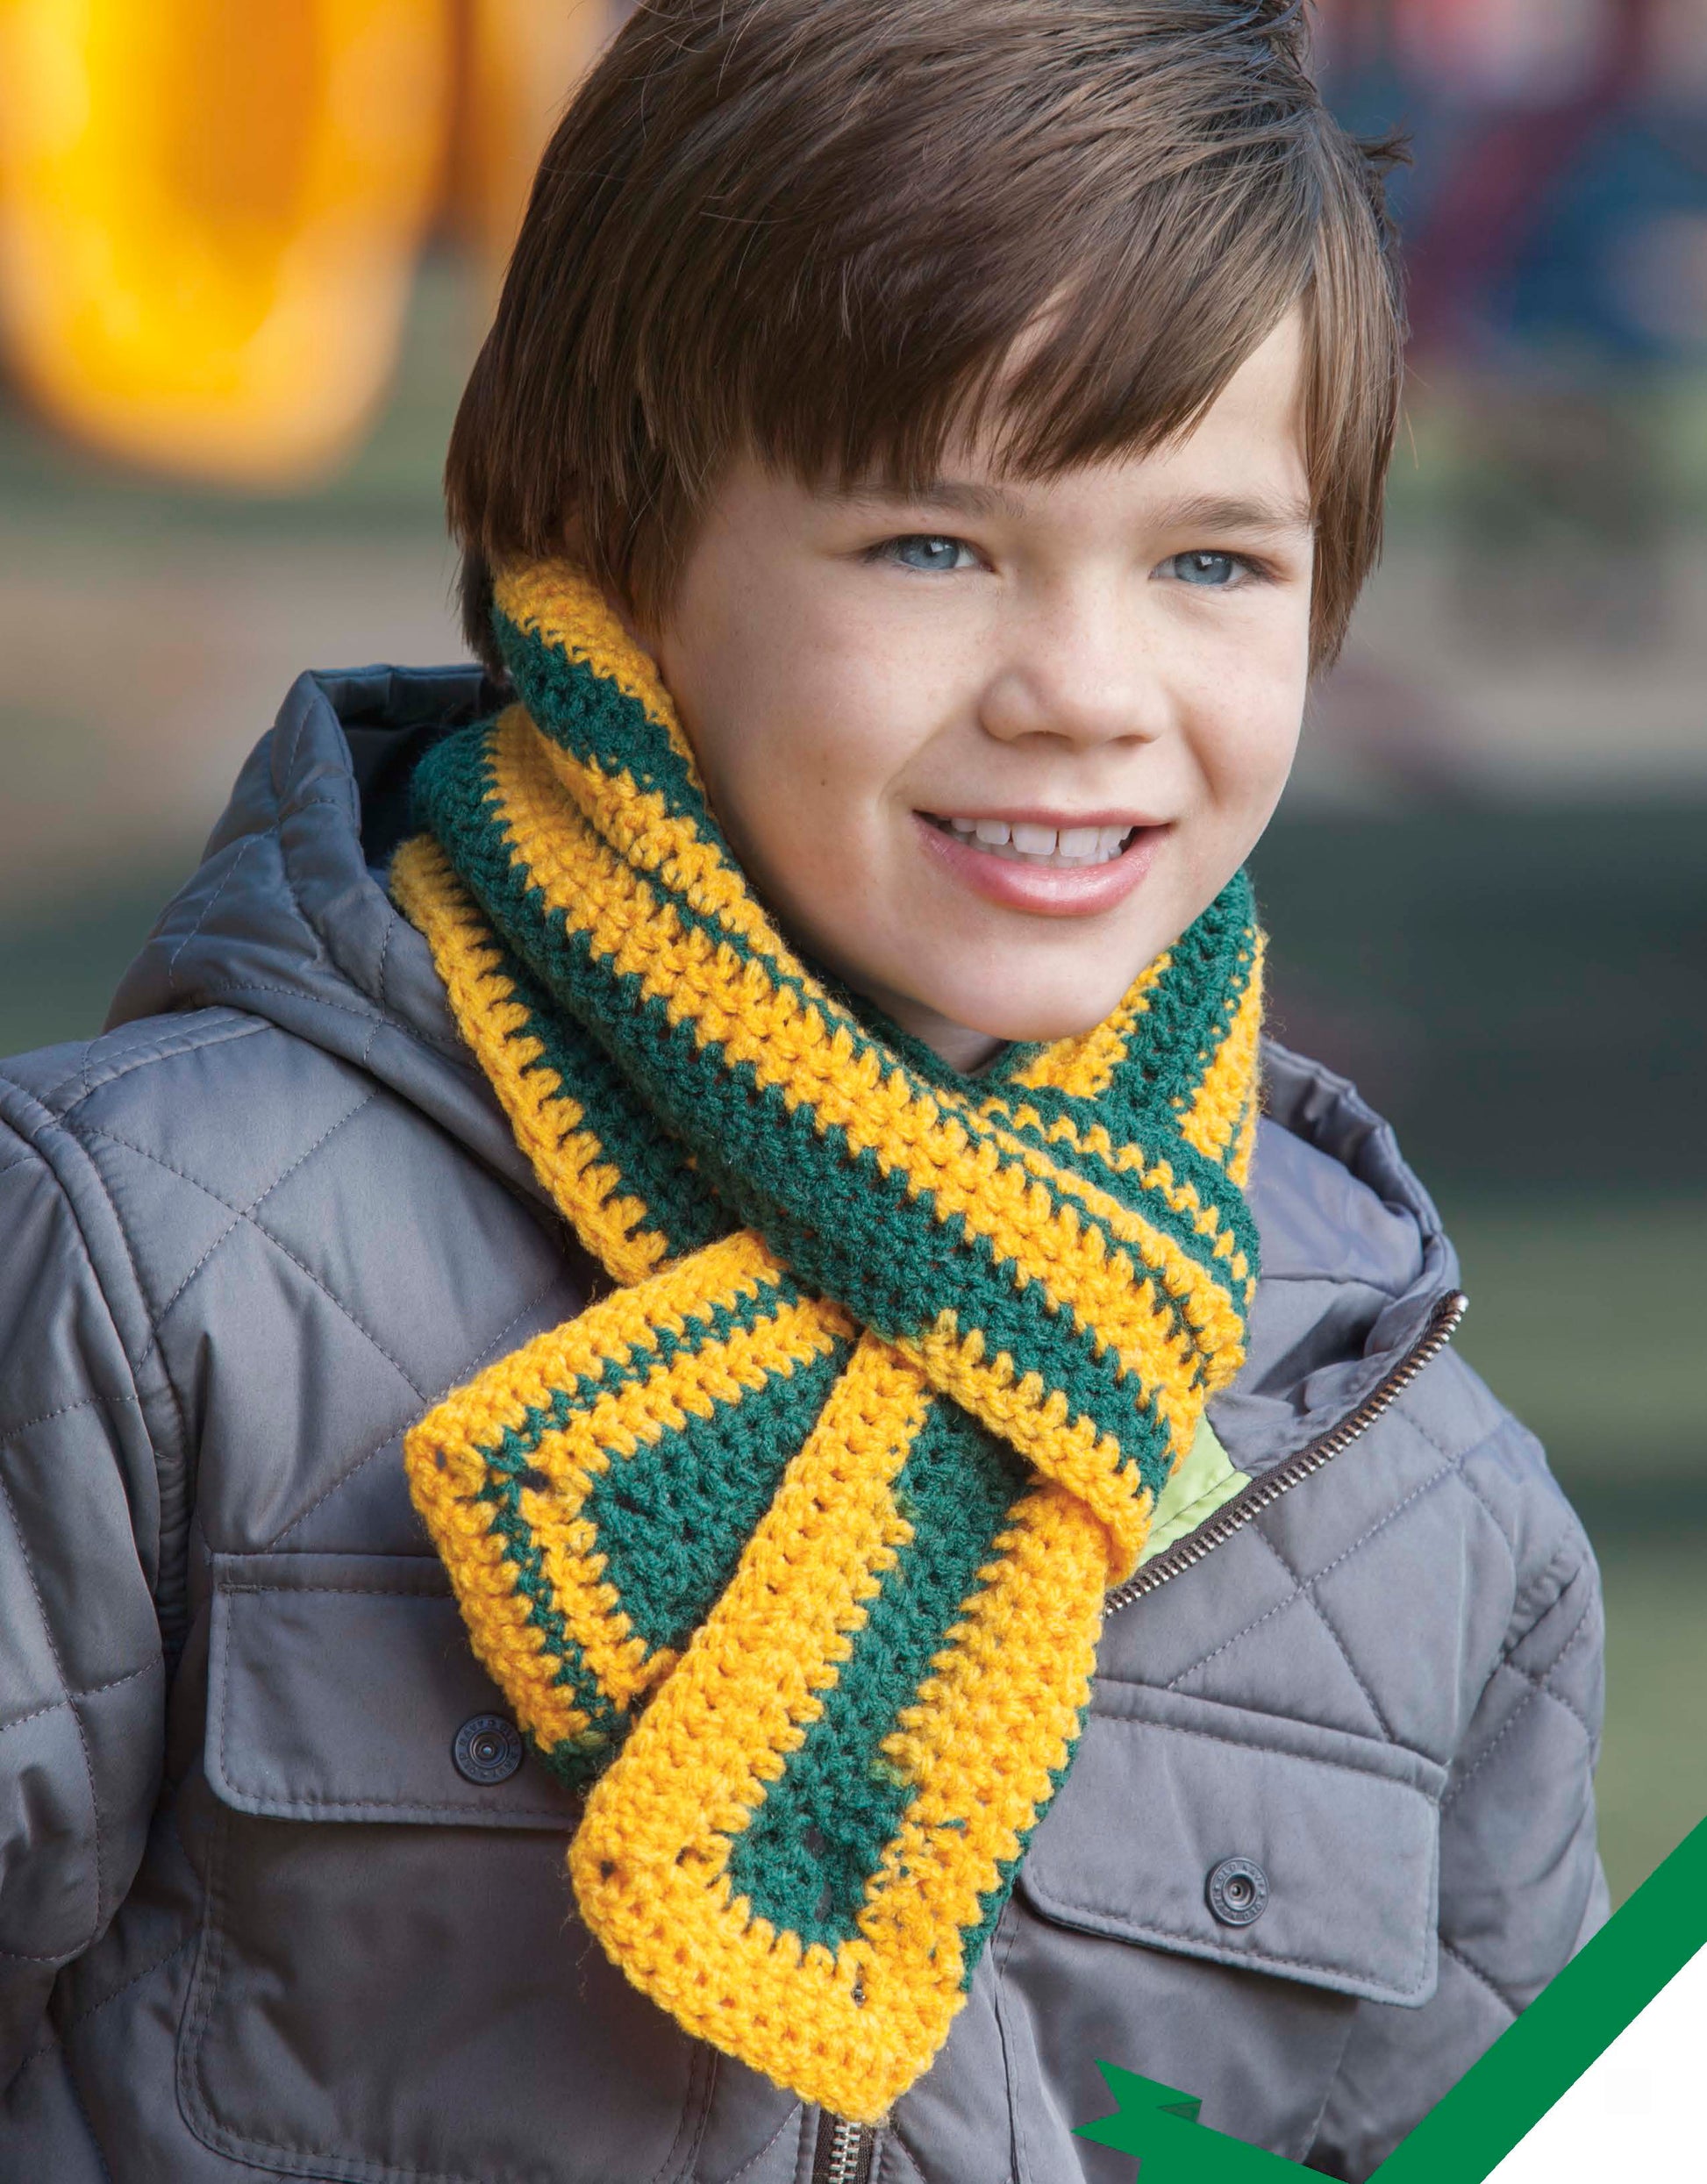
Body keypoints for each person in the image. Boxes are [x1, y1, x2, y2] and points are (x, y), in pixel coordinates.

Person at [0, 4, 1607, 2180]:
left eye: (1210, 562)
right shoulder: (149, 1252)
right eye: (933, 549)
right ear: (615, 545)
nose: (1086, 695)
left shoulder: (1395, 1453)